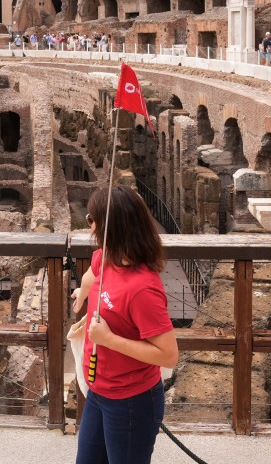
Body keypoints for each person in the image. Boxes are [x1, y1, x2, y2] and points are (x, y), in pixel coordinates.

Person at [71, 185, 178, 464]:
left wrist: (109, 340)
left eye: (91, 219)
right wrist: (81, 294)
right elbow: (91, 276)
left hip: (132, 401)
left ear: (109, 226)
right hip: (99, 392)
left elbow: (168, 355)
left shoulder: (142, 289)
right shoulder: (105, 259)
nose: (89, 225)